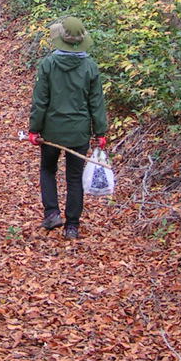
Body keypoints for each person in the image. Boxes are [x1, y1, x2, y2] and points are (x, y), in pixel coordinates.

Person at [28, 15, 108, 240]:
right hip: (79, 132)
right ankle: (72, 225)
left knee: (48, 170)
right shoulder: (89, 66)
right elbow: (96, 102)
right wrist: (100, 132)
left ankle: (52, 212)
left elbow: (40, 100)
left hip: (52, 129)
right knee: (74, 177)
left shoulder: (48, 64)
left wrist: (34, 129)